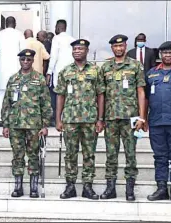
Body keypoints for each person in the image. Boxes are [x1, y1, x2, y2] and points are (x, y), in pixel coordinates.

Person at [54, 39, 104, 200]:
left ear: (87, 51)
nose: (77, 51)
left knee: (89, 154)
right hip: (70, 119)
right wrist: (58, 119)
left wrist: (100, 119)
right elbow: (60, 95)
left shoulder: (96, 71)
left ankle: (87, 186)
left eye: (80, 49)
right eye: (75, 49)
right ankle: (70, 186)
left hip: (90, 119)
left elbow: (101, 95)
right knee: (70, 154)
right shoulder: (65, 71)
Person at [99, 34, 146, 201]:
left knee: (130, 154)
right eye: (115, 46)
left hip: (130, 118)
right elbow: (102, 95)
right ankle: (110, 188)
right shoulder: (105, 67)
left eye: (121, 46)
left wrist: (142, 117)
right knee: (111, 154)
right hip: (111, 118)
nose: (119, 48)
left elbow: (141, 91)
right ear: (112, 48)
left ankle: (129, 189)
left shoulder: (135, 66)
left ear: (126, 46)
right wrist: (100, 118)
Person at [1, 49, 51, 198]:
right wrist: (5, 124)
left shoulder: (39, 79)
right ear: (20, 60)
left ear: (32, 61)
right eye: (23, 59)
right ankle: (18, 186)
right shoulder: (13, 79)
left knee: (33, 155)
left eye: (28, 60)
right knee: (17, 155)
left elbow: (46, 103)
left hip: (34, 125)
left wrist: (45, 125)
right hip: (15, 125)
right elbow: (6, 103)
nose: (25, 62)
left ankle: (33, 187)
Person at [145, 41, 171, 204]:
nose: (167, 55)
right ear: (160, 55)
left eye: (170, 53)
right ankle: (161, 188)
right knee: (160, 157)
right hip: (156, 122)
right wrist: (143, 118)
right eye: (165, 53)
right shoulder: (151, 74)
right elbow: (145, 98)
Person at [0, 16, 26, 121]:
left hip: (2, 69)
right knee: (17, 91)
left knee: (2, 93)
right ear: (15, 24)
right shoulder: (19, 34)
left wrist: (1, 56)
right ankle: (16, 116)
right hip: (16, 68)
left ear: (5, 24)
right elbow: (23, 52)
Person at [47, 20, 75, 128]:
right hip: (71, 72)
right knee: (69, 95)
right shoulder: (72, 39)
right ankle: (67, 118)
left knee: (57, 95)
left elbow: (53, 56)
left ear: (58, 28)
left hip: (59, 72)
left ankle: (56, 118)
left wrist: (49, 72)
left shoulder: (56, 38)